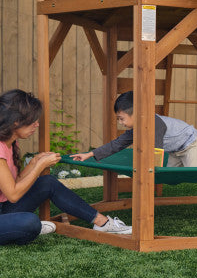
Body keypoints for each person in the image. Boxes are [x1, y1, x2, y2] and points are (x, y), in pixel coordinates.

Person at [0, 90, 132, 246]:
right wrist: (40, 165)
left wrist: (34, 162)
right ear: (15, 121)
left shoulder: (11, 143)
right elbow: (14, 194)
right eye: (32, 120)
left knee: (47, 182)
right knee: (31, 222)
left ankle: (102, 223)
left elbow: (16, 182)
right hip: (5, 210)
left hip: (5, 209)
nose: (37, 124)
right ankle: (25, 228)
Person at [71, 91, 197, 167]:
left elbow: (155, 151)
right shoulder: (137, 128)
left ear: (136, 113)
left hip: (190, 142)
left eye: (121, 119)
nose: (120, 122)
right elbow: (117, 144)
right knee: (173, 179)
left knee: (192, 174)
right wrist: (90, 154)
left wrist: (151, 171)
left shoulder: (154, 124)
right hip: (176, 150)